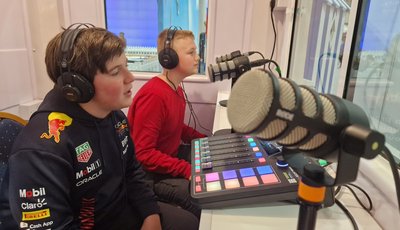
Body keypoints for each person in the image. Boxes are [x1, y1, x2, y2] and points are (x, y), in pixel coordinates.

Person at [6, 24, 198, 230]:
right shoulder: (39, 152)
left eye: (126, 65)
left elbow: (132, 171)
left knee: (187, 223)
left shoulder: (113, 116)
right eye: (116, 71)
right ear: (78, 85)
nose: (130, 77)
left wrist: (150, 214)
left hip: (118, 212)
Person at [127, 27, 206, 219]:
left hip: (167, 159)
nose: (198, 58)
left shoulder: (175, 89)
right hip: (150, 176)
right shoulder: (154, 95)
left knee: (209, 163)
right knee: (201, 199)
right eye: (191, 53)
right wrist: (186, 169)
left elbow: (175, 127)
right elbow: (143, 154)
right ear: (168, 58)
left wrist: (205, 141)